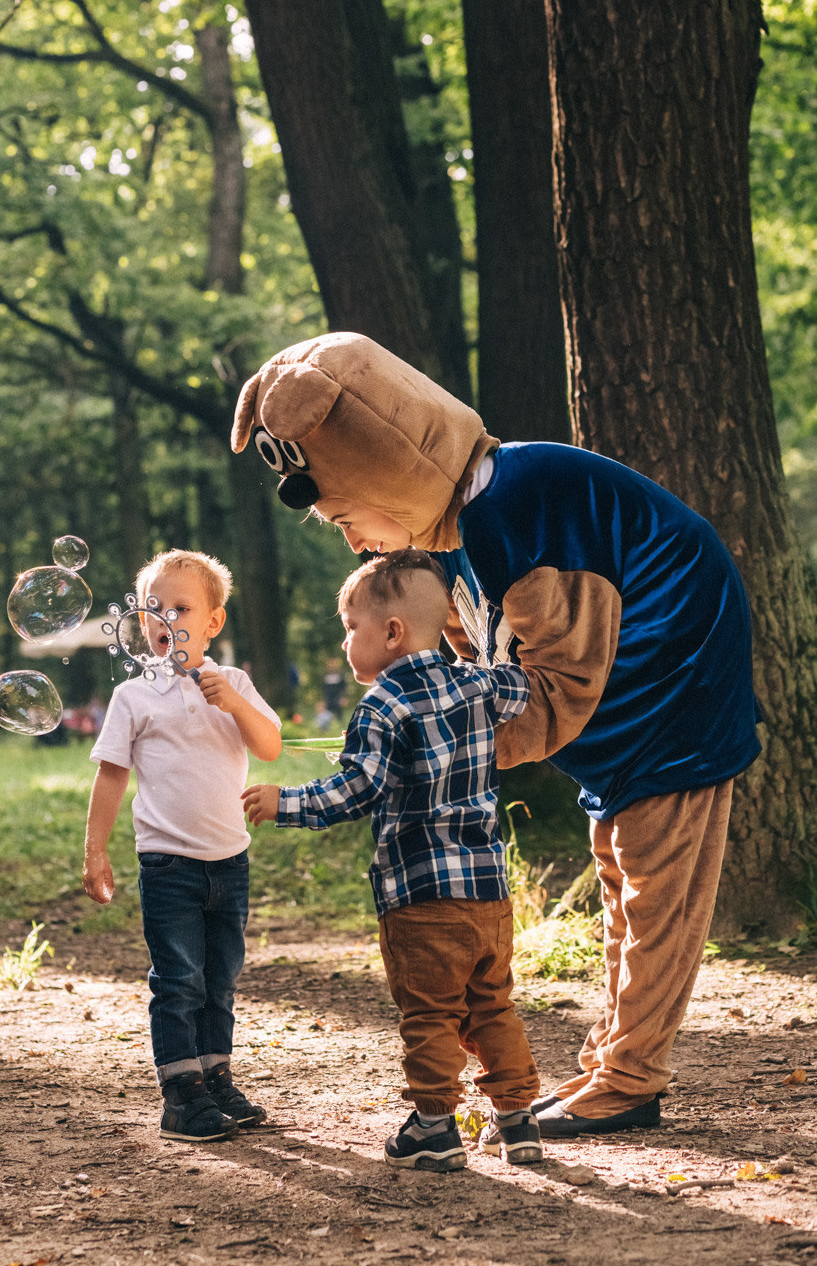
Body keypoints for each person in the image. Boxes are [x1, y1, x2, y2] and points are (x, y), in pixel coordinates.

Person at [231, 331, 761, 1139]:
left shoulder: (519, 503)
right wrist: (421, 723)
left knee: (656, 898)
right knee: (621, 885)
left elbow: (560, 683)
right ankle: (609, 1063)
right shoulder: (453, 538)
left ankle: (628, 1081)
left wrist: (437, 748)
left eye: (345, 514)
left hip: (673, 702)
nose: (354, 541)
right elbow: (468, 668)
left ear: (386, 468)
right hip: (620, 727)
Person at [242, 549, 542, 1172]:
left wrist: (285, 802)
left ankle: (433, 1125)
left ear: (392, 632)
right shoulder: (478, 683)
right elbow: (520, 684)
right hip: (489, 892)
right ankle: (518, 1119)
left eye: (351, 627)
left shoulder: (382, 705)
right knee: (492, 1004)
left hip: (421, 896)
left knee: (430, 1012)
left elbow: (358, 789)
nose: (345, 640)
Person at [82, 549, 282, 1144]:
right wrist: (96, 850)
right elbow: (111, 774)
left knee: (220, 979)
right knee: (178, 980)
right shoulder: (133, 697)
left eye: (181, 608)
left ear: (213, 622)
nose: (165, 619)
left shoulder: (235, 683)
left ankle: (215, 1079)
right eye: (154, 609)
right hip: (167, 864)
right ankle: (180, 1095)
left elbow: (269, 747)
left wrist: (235, 702)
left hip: (230, 861)